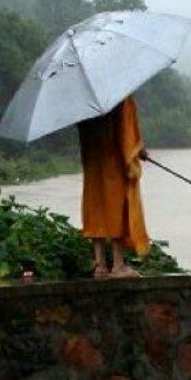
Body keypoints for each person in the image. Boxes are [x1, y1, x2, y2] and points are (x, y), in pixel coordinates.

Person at [78, 95, 151, 278]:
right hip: (115, 162)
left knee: (95, 209)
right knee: (117, 209)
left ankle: (100, 265)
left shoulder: (82, 100)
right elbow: (127, 134)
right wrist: (138, 151)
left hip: (93, 163)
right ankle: (118, 265)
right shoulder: (120, 96)